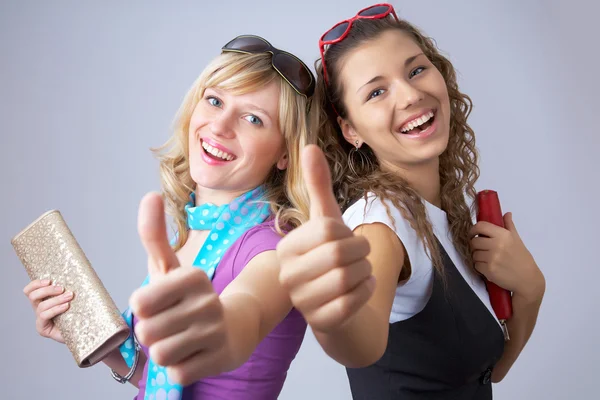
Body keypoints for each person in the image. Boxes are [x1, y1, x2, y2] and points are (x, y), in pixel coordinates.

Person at [23, 34, 316, 400]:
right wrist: (90, 334)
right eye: (214, 101)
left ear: (285, 154)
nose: (220, 126)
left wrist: (222, 326)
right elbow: (176, 382)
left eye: (253, 119)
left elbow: (245, 315)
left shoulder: (274, 252)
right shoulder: (195, 232)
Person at [277, 4, 545, 399]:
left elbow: (493, 371)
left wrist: (531, 289)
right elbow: (361, 342)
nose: (410, 94)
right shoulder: (381, 225)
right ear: (350, 129)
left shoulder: (444, 212)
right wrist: (334, 316)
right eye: (377, 91)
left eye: (416, 70)